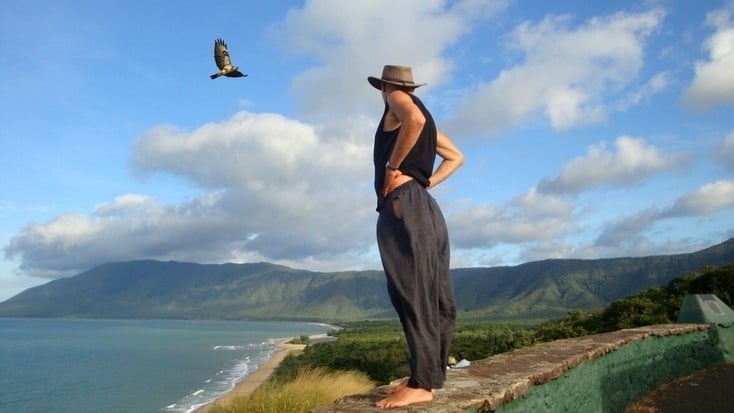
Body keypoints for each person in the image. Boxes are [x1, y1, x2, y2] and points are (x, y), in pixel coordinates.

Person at [369, 65, 464, 408]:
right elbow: (456, 157)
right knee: (436, 295)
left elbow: (416, 122)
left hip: (405, 206)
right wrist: (424, 183)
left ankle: (423, 383)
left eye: (385, 87)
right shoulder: (423, 112)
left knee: (411, 292)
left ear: (385, 86)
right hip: (425, 205)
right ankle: (428, 376)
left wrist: (395, 169)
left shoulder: (397, 100)